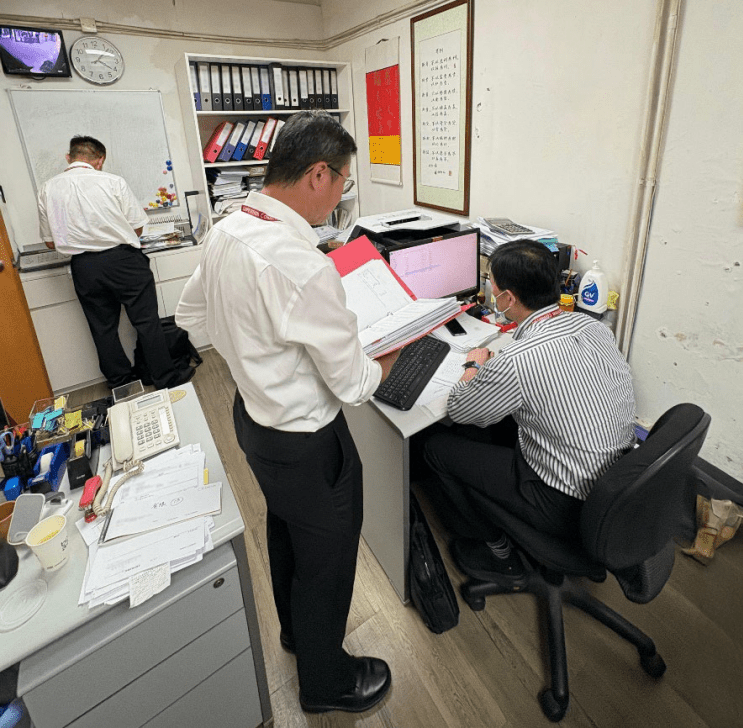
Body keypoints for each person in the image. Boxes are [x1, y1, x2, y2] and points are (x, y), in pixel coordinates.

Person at [175, 110, 399, 714]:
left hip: (255, 422)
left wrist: (253, 350)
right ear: (319, 174)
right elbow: (354, 384)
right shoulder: (302, 265)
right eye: (344, 181)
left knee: (287, 531)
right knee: (328, 559)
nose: (341, 195)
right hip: (307, 439)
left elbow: (189, 317)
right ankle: (326, 684)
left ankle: (299, 636)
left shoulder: (228, 228)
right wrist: (393, 356)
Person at [423, 239, 636, 583]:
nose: (491, 291)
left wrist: (473, 366)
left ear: (508, 298)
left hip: (563, 502)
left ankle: (497, 552)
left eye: (492, 284)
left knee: (436, 447)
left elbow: (460, 408)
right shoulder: (594, 327)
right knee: (498, 425)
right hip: (616, 484)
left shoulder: (517, 360)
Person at [37, 135, 193, 390]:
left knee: (102, 329)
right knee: (146, 322)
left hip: (84, 266)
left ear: (69, 158)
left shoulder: (47, 189)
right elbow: (138, 227)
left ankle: (121, 383)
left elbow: (49, 242)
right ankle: (165, 379)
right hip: (124, 262)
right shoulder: (112, 182)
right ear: (99, 160)